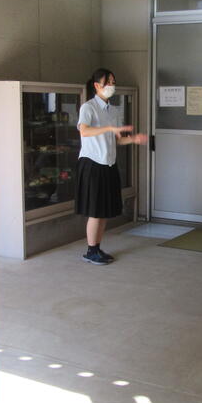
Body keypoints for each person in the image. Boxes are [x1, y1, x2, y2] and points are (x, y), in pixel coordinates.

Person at [76, 68, 147, 265]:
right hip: (92, 164)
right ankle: (91, 251)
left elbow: (116, 140)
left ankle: (97, 247)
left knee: (104, 210)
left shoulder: (114, 110)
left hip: (109, 164)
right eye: (108, 82)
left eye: (113, 82)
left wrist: (133, 139)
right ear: (96, 85)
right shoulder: (88, 107)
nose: (111, 86)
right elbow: (84, 131)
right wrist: (108, 127)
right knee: (95, 211)